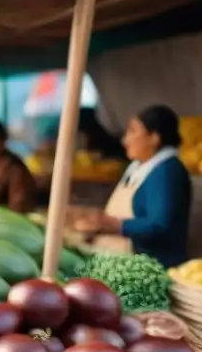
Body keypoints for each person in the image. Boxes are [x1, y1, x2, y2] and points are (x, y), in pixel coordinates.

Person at [76, 104, 191, 267]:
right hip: (126, 260)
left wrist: (115, 225)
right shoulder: (140, 167)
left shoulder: (166, 171)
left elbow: (160, 225)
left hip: (152, 267)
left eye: (133, 131)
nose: (125, 140)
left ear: (154, 138)